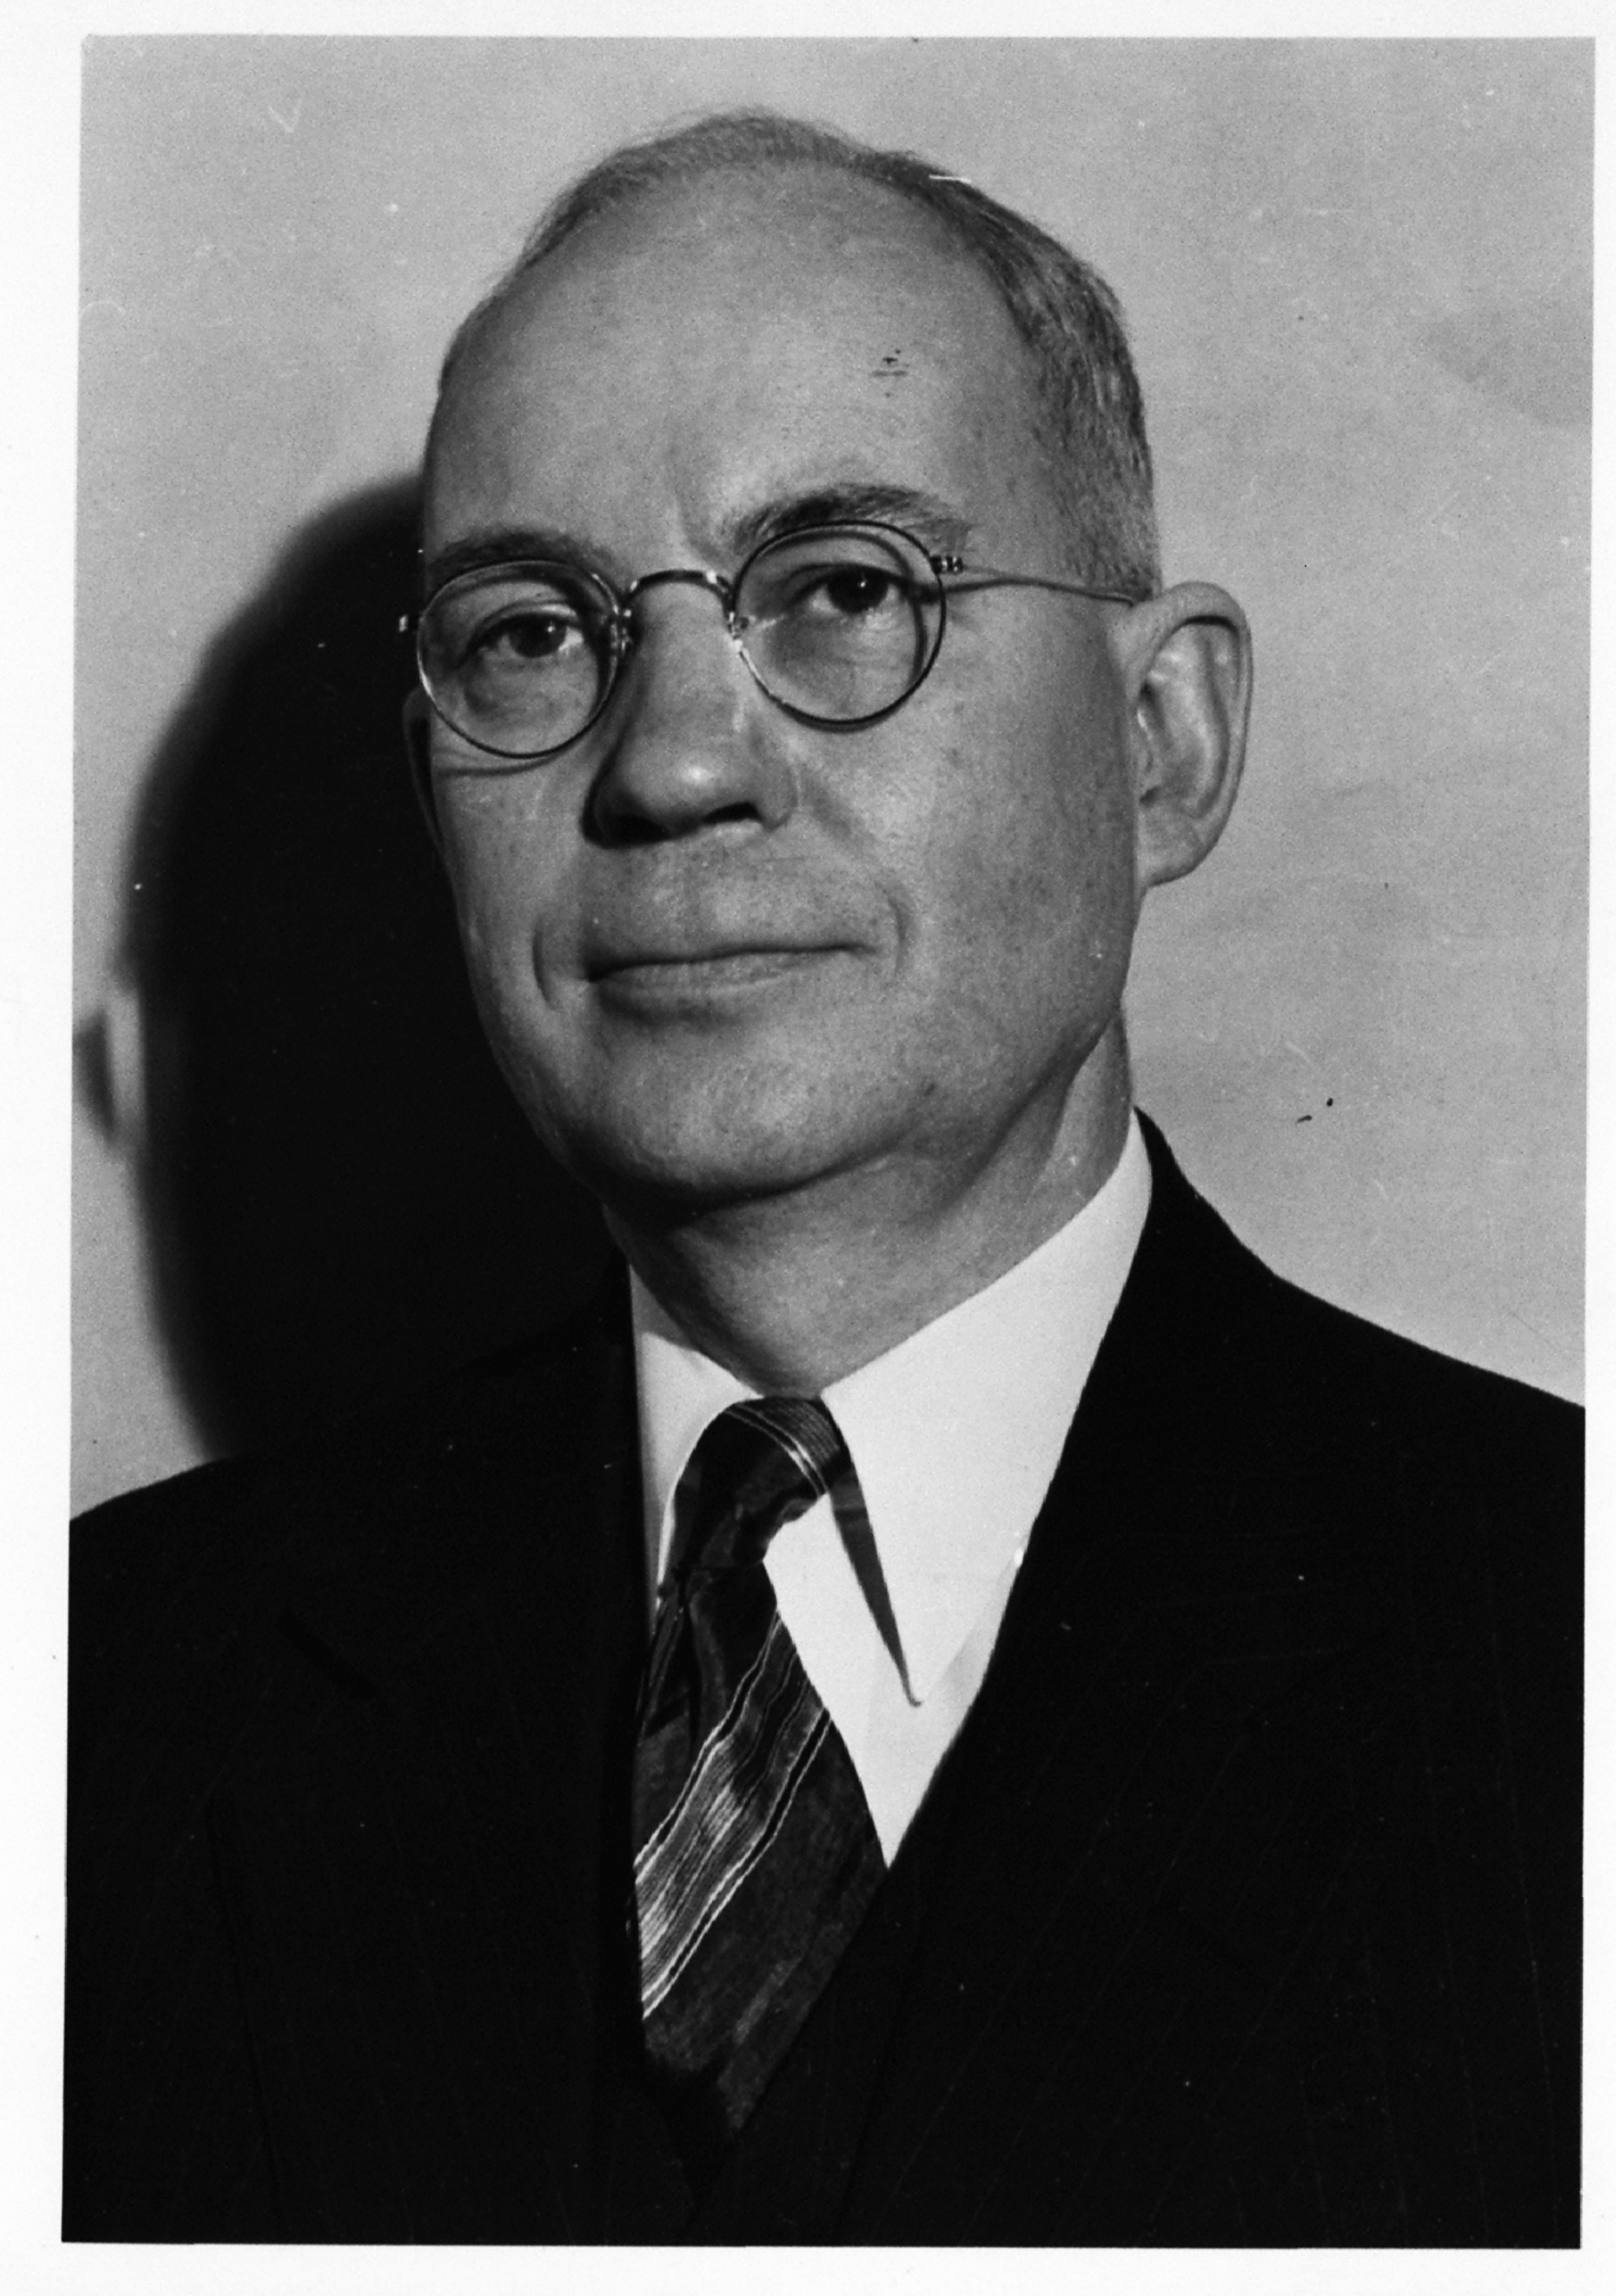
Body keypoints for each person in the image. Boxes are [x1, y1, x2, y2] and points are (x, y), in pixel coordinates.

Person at [63, 111, 1581, 2246]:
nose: (673, 762)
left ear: (1163, 743)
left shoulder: (1551, 1650)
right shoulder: (99, 1704)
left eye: (849, 589)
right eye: (530, 634)